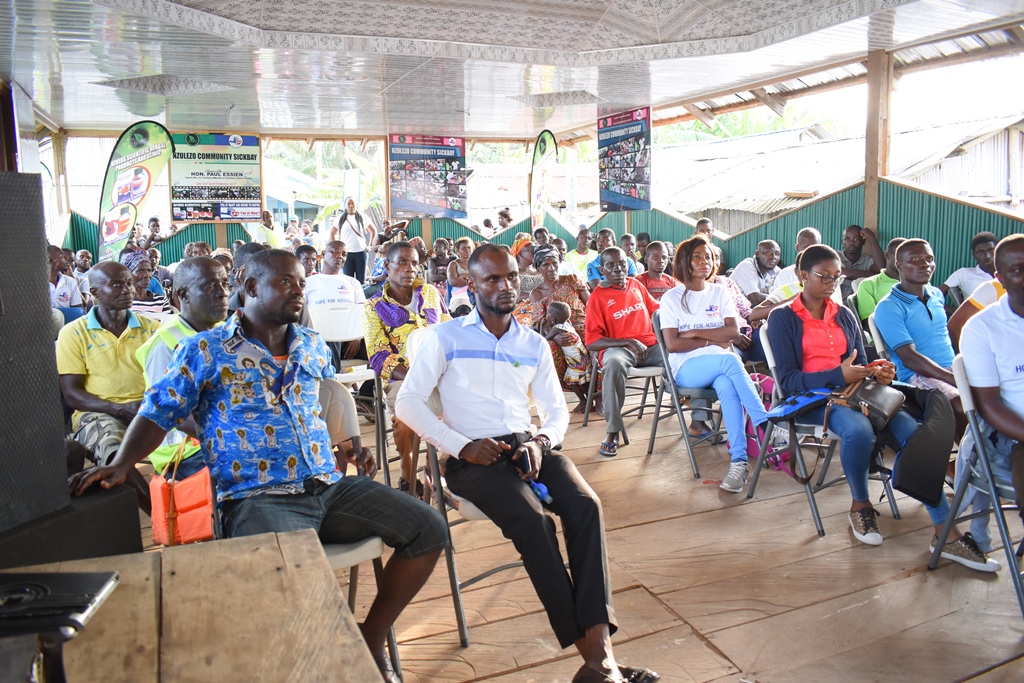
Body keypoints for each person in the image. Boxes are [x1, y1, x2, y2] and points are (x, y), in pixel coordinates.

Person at [70, 250, 447, 683]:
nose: (299, 291)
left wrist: (347, 446)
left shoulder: (310, 344)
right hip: (257, 497)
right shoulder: (205, 350)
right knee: (294, 578)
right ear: (250, 288)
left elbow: (321, 399)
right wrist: (121, 464)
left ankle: (370, 638)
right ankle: (322, 661)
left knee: (429, 529)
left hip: (327, 485)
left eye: (301, 283)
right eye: (286, 282)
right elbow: (158, 411)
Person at [396, 244, 660, 683]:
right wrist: (460, 446)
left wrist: (541, 440)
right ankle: (602, 663)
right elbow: (408, 402)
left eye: (511, 278)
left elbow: (557, 412)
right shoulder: (447, 338)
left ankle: (599, 662)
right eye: (492, 279)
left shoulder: (532, 343)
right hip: (473, 458)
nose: (504, 287)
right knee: (535, 524)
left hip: (528, 448)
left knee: (586, 507)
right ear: (472, 282)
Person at [766, 245, 984, 557]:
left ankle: (945, 530)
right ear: (803, 276)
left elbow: (860, 359)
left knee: (915, 434)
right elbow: (787, 381)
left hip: (856, 391)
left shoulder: (843, 314)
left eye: (837, 278)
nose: (832, 284)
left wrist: (878, 371)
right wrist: (837, 375)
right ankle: (860, 504)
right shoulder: (783, 318)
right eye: (824, 277)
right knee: (858, 430)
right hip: (810, 398)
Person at [660, 235, 769, 492]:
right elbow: (673, 345)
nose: (703, 262)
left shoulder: (719, 292)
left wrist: (696, 334)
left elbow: (732, 332)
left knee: (727, 385)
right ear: (684, 262)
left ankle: (739, 463)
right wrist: (712, 340)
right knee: (731, 360)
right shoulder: (672, 298)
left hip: (718, 363)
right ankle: (766, 424)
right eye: (697, 256)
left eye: (707, 257)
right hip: (686, 368)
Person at [57, 261, 160, 508]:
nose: (128, 289)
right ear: (94, 292)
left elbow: (165, 378)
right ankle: (159, 517)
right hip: (98, 413)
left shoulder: (151, 329)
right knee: (114, 452)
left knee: (193, 441)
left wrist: (148, 407)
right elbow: (72, 395)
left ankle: (198, 511)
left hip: (147, 408)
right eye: (116, 285)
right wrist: (118, 409)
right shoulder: (74, 333)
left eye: (128, 283)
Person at [959, 234, 1024, 563]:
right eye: (1018, 271)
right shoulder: (983, 328)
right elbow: (989, 405)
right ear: (998, 278)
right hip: (1016, 438)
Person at [135, 257, 231, 480]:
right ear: (183, 295)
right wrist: (232, 434)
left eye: (225, 284)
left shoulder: (225, 333)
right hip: (184, 450)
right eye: (209, 285)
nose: (222, 292)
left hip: (222, 436)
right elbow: (171, 413)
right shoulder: (165, 344)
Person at [365, 242, 447, 496]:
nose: (409, 268)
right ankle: (407, 469)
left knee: (472, 400)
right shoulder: (374, 306)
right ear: (387, 266)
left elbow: (448, 329)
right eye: (401, 262)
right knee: (406, 412)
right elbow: (379, 356)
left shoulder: (430, 293)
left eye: (413, 262)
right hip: (403, 375)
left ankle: (439, 466)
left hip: (440, 371)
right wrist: (417, 376)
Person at [873, 239, 967, 440]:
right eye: (915, 259)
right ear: (899, 265)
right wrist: (952, 378)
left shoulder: (935, 295)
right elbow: (910, 358)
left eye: (929, 259)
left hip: (951, 368)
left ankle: (995, 457)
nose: (925, 264)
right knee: (961, 404)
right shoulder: (889, 306)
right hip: (916, 377)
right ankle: (967, 464)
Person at [585, 247, 663, 457]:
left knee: (679, 355)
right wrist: (628, 341)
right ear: (602, 269)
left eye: (621, 263)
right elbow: (592, 342)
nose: (618, 269)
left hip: (650, 346)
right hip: (618, 349)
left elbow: (656, 310)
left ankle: (697, 418)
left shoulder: (636, 284)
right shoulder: (597, 297)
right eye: (611, 265)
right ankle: (613, 431)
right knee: (613, 363)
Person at [531, 244, 593, 414]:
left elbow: (591, 304)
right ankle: (582, 397)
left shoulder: (572, 279)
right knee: (550, 350)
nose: (552, 268)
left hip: (585, 327)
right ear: (538, 268)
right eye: (546, 265)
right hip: (560, 334)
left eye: (555, 263)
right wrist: (555, 337)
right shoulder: (536, 293)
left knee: (596, 346)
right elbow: (538, 323)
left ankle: (598, 396)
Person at [855, 237, 904, 322]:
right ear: (888, 255)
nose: (906, 260)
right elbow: (869, 324)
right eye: (901, 256)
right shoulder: (868, 285)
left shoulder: (918, 284)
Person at [940, 231, 997, 300]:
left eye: (991, 250)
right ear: (974, 255)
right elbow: (935, 296)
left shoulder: (1008, 275)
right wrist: (953, 310)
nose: (987, 256)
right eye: (980, 253)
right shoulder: (964, 274)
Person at [838, 224, 884, 301]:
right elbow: (842, 272)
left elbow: (881, 270)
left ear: (863, 241)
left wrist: (872, 238)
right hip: (837, 304)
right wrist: (872, 274)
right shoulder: (836, 256)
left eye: (856, 239)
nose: (851, 243)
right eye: (847, 239)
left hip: (858, 305)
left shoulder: (866, 260)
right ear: (843, 242)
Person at [122, 250, 173, 317]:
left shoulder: (160, 300)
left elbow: (167, 324)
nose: (147, 275)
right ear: (128, 274)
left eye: (149, 270)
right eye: (140, 271)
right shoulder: (122, 303)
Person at [729, 240, 780, 305]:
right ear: (757, 254)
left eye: (777, 254)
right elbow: (755, 299)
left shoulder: (776, 271)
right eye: (768, 252)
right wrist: (780, 298)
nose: (773, 257)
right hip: (735, 310)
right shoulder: (746, 266)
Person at [47, 245, 85, 323]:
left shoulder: (70, 282)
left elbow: (77, 312)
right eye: (62, 257)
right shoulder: (34, 283)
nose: (67, 261)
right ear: (50, 260)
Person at [337, 198, 369, 282]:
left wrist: (370, 245)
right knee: (348, 280)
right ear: (345, 205)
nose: (351, 206)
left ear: (356, 204)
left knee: (361, 280)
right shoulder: (340, 218)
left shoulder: (362, 217)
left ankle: (360, 295)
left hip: (361, 252)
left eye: (353, 204)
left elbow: (373, 230)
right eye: (349, 204)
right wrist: (337, 248)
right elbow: (332, 233)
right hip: (347, 254)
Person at [447, 236, 474, 305]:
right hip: (459, 295)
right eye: (463, 248)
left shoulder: (476, 263)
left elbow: (480, 279)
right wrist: (472, 279)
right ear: (458, 250)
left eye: (469, 247)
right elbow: (453, 282)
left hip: (474, 292)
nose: (467, 250)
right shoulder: (453, 264)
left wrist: (463, 276)